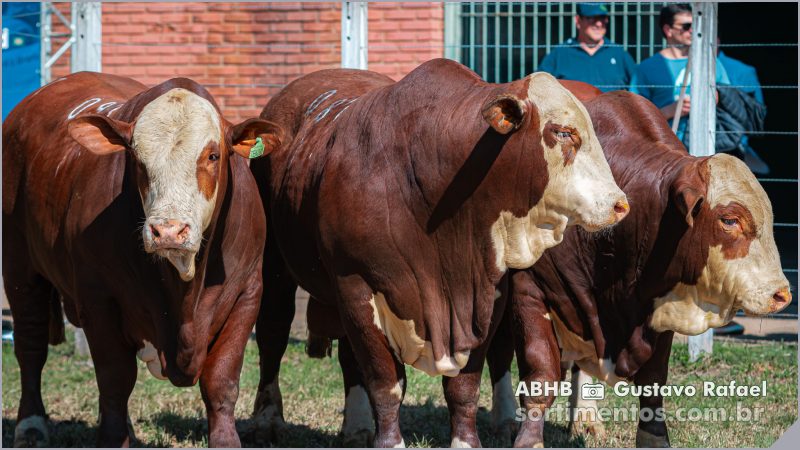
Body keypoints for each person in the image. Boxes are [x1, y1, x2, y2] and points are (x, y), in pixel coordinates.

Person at [629, 3, 731, 142]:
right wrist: (670, 111)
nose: (692, 31)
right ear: (668, 30)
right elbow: (635, 118)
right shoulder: (646, 68)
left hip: (707, 144)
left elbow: (730, 100)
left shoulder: (709, 62)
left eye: (695, 26)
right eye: (686, 26)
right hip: (665, 148)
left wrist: (715, 98)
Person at [538, 3, 636, 92]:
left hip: (610, 111)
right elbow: (538, 88)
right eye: (591, 18)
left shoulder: (618, 53)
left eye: (602, 18)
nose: (598, 24)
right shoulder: (560, 53)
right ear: (577, 20)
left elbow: (638, 90)